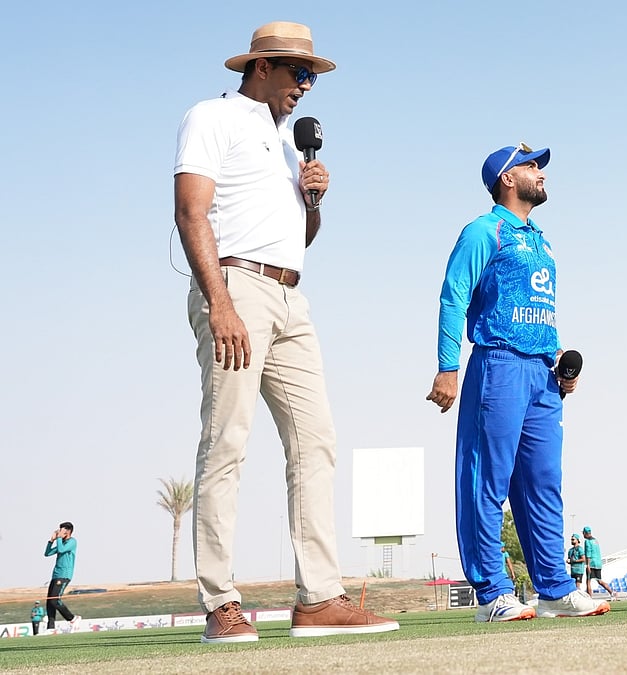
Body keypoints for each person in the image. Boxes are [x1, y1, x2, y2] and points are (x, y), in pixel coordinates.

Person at [174, 21, 399, 643]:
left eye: (312, 77)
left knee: (316, 440)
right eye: (299, 73)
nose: (306, 86)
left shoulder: (285, 143)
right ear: (261, 67)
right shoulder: (210, 117)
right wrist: (220, 303)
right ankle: (220, 602)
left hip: (291, 296)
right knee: (227, 441)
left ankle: (320, 598)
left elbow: (300, 239)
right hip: (235, 288)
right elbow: (190, 211)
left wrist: (314, 199)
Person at [427, 143, 608, 622]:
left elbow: (537, 308)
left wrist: (559, 363)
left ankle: (553, 589)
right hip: (499, 365)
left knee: (544, 483)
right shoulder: (483, 231)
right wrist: (449, 366)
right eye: (531, 166)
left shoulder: (542, 241)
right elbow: (453, 297)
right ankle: (492, 594)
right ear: (507, 178)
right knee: (487, 481)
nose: (540, 172)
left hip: (542, 375)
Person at [44, 522, 81, 632]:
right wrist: (51, 541)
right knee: (49, 601)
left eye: (62, 530)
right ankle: (51, 628)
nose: (59, 532)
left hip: (64, 575)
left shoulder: (72, 542)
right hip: (56, 575)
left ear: (68, 532)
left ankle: (73, 618)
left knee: (55, 600)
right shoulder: (61, 542)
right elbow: (47, 553)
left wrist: (59, 538)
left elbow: (61, 550)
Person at [581, 527, 617, 599]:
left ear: (585, 533)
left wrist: (588, 564)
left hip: (591, 563)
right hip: (598, 563)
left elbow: (588, 553)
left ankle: (589, 598)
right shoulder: (595, 540)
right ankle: (612, 592)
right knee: (599, 581)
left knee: (588, 581)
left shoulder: (587, 541)